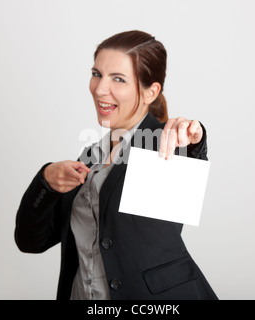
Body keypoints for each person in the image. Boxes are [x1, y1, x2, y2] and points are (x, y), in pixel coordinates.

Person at [15, 30, 218, 300]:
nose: (99, 89)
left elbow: (181, 178)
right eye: (97, 74)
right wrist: (46, 182)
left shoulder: (161, 146)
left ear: (150, 91)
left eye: (118, 79)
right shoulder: (88, 159)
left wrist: (193, 139)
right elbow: (30, 242)